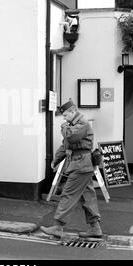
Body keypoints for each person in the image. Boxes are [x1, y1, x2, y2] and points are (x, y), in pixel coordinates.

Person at [40, 100, 102, 239]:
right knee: (88, 197)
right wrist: (55, 160)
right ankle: (95, 227)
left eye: (65, 115)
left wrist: (63, 126)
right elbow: (65, 146)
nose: (64, 118)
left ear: (73, 112)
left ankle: (58, 226)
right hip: (81, 165)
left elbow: (70, 137)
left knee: (68, 194)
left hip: (81, 165)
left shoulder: (82, 123)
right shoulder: (73, 125)